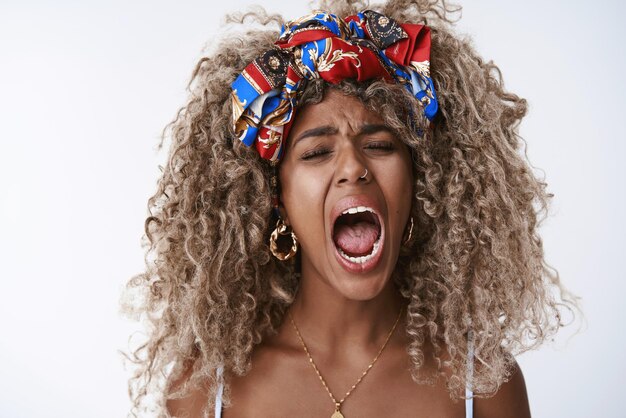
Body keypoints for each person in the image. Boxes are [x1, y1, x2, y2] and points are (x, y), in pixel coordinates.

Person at [120, 1, 580, 417]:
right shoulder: (204, 391)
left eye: (379, 145)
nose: (353, 168)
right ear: (275, 198)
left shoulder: (481, 386)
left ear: (422, 182)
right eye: (317, 153)